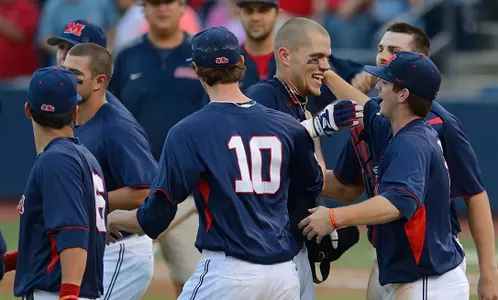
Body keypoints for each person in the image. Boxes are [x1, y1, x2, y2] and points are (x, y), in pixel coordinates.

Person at [105, 26, 324, 300]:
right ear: (241, 63)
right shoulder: (287, 126)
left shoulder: (188, 131)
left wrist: (114, 218)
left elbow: (154, 219)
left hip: (229, 272)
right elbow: (313, 185)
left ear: (196, 69)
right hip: (283, 274)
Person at [319, 22, 498, 300]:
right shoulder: (386, 121)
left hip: (426, 262)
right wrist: (325, 73)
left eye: (394, 51)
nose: (382, 56)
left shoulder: (427, 132)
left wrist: (488, 272)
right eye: (380, 49)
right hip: (393, 258)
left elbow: (469, 194)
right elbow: (365, 113)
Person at [300, 51, 470, 299]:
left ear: (403, 94)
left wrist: (335, 217)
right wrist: (324, 73)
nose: (377, 86)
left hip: (426, 279)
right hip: (414, 274)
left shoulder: (412, 142)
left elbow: (397, 202)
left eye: (386, 83)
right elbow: (364, 104)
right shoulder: (398, 129)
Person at [245, 17, 364, 299]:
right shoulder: (264, 96)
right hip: (262, 253)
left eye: (327, 57)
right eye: (316, 58)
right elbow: (260, 160)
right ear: (285, 56)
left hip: (289, 251)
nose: (325, 66)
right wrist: (314, 128)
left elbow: (317, 179)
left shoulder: (300, 105)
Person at [108, 0, 207, 294]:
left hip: (186, 191)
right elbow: (111, 119)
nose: (162, 9)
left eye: (169, 2)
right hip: (134, 189)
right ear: (143, 9)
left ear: (182, 7)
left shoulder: (200, 56)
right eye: (154, 3)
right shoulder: (126, 57)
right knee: (116, 281)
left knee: (194, 283)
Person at [61, 43, 158, 300]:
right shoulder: (75, 118)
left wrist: (86, 201)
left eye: (74, 75)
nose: (65, 80)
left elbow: (146, 192)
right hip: (95, 247)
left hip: (121, 251)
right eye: (64, 72)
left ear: (99, 81)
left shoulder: (117, 126)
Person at [3, 66, 108, 300]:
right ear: (75, 112)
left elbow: (73, 234)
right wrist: (8, 262)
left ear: (28, 110)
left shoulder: (56, 161)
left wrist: (68, 295)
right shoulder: (83, 157)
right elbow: (52, 241)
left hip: (59, 292)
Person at [46, 19, 130, 115]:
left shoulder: (113, 120)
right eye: (61, 47)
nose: (63, 55)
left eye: (73, 49)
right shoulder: (54, 100)